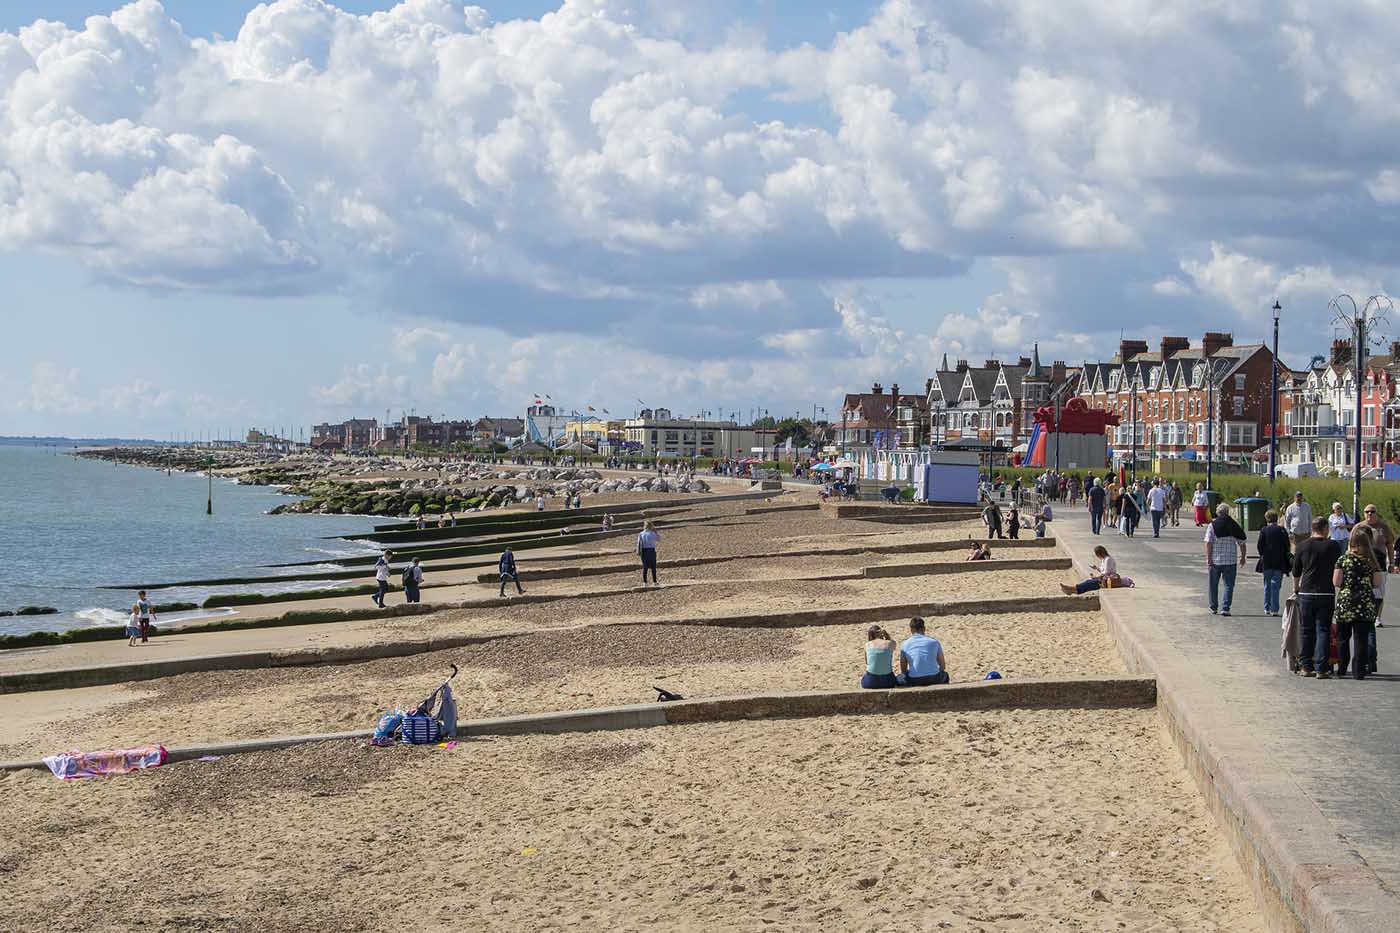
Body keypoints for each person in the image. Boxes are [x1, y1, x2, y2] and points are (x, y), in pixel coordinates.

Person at [1292, 516, 1341, 678]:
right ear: (1326, 528)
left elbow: (1296, 571)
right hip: (1326, 592)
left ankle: (1306, 667)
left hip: (1306, 591)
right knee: (1323, 631)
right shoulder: (1333, 546)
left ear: (1312, 528)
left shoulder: (1302, 546)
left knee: (1306, 631)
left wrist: (1296, 588)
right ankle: (1321, 668)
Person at [1333, 526, 1382, 680]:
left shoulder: (1343, 560)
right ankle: (1358, 671)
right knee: (1361, 639)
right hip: (1365, 604)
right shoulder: (1371, 561)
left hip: (1346, 603)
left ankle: (1342, 668)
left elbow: (1336, 582)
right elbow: (1377, 583)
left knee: (1343, 638)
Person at [1204, 503, 1247, 616]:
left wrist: (1208, 558)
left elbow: (1208, 543)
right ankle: (1225, 608)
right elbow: (1242, 542)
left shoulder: (1212, 525)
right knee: (1229, 585)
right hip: (1230, 560)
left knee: (1213, 584)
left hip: (1215, 560)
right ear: (1228, 512)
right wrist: (1243, 557)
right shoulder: (1234, 525)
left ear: (1218, 513)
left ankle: (1213, 606)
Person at [1256, 510, 1291, 616]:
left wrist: (1263, 554)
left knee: (1267, 584)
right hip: (1279, 561)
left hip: (1267, 561)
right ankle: (1274, 609)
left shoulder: (1264, 530)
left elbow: (1259, 545)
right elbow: (1287, 546)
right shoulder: (1281, 530)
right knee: (1276, 585)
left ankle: (1267, 607)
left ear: (1267, 519)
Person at [898, 617, 949, 686]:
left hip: (914, 679)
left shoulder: (905, 644)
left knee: (900, 678)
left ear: (911, 630)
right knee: (945, 675)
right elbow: (942, 666)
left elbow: (903, 670)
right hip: (934, 677)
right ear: (924, 628)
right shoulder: (934, 642)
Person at [860, 625, 899, 689]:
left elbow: (867, 662)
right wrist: (888, 637)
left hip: (870, 682)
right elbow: (894, 644)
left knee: (863, 678)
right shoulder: (889, 643)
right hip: (888, 682)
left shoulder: (868, 644)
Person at [637, 520, 660, 586]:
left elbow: (638, 543)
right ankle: (654, 582)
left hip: (644, 551)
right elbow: (659, 539)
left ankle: (645, 582)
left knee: (645, 567)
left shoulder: (641, 533)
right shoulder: (652, 533)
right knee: (653, 567)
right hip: (651, 550)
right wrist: (656, 532)